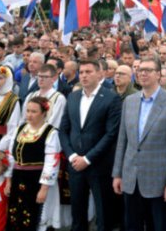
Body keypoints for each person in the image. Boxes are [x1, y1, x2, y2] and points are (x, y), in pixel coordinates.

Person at [112, 57, 166, 231]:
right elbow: (122, 141)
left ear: (159, 74)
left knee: (159, 226)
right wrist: (117, 173)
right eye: (140, 70)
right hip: (131, 178)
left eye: (148, 70)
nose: (143, 73)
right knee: (132, 225)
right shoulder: (129, 102)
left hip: (159, 182)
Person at [59, 59, 122, 231]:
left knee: (104, 215)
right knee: (77, 213)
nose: (84, 76)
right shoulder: (73, 97)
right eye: (82, 72)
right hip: (75, 165)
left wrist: (87, 158)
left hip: (100, 165)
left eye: (89, 72)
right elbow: (64, 129)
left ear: (100, 74)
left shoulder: (111, 98)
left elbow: (111, 134)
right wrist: (72, 155)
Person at [2, 96, 61, 231]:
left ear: (44, 113)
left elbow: (52, 162)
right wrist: (8, 180)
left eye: (34, 111)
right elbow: (11, 156)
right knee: (15, 213)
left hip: (37, 180)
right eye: (27, 111)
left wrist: (44, 188)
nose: (29, 114)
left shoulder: (50, 133)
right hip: (18, 178)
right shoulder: (20, 129)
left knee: (35, 214)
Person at [22, 64, 67, 128]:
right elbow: (24, 118)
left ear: (53, 78)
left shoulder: (59, 98)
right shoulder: (30, 96)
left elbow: (54, 123)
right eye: (39, 76)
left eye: (45, 77)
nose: (41, 79)